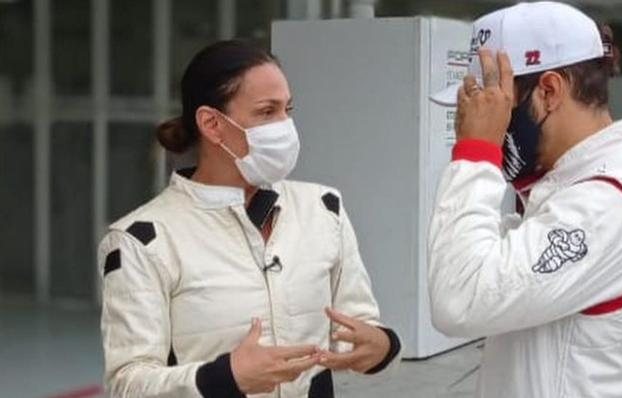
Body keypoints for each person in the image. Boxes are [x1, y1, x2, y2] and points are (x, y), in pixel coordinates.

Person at [99, 39, 400, 398]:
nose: (285, 126)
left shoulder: (323, 207)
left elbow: (359, 328)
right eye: (266, 111)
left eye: (288, 109)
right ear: (212, 124)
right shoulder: (142, 240)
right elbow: (127, 383)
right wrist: (225, 379)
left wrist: (382, 347)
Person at [427, 2, 622, 397]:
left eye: (498, 107)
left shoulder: (612, 205)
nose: (479, 122)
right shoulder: (574, 189)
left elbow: (460, 297)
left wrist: (476, 153)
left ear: (550, 90)